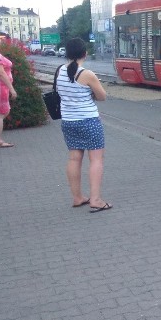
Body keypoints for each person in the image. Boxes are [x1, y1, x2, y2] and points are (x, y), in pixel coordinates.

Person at [56, 38, 112, 212]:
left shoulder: (59, 71)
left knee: (74, 158)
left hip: (68, 122)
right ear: (84, 53)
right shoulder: (86, 74)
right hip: (89, 121)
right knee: (96, 159)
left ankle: (77, 197)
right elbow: (102, 96)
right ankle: (95, 199)